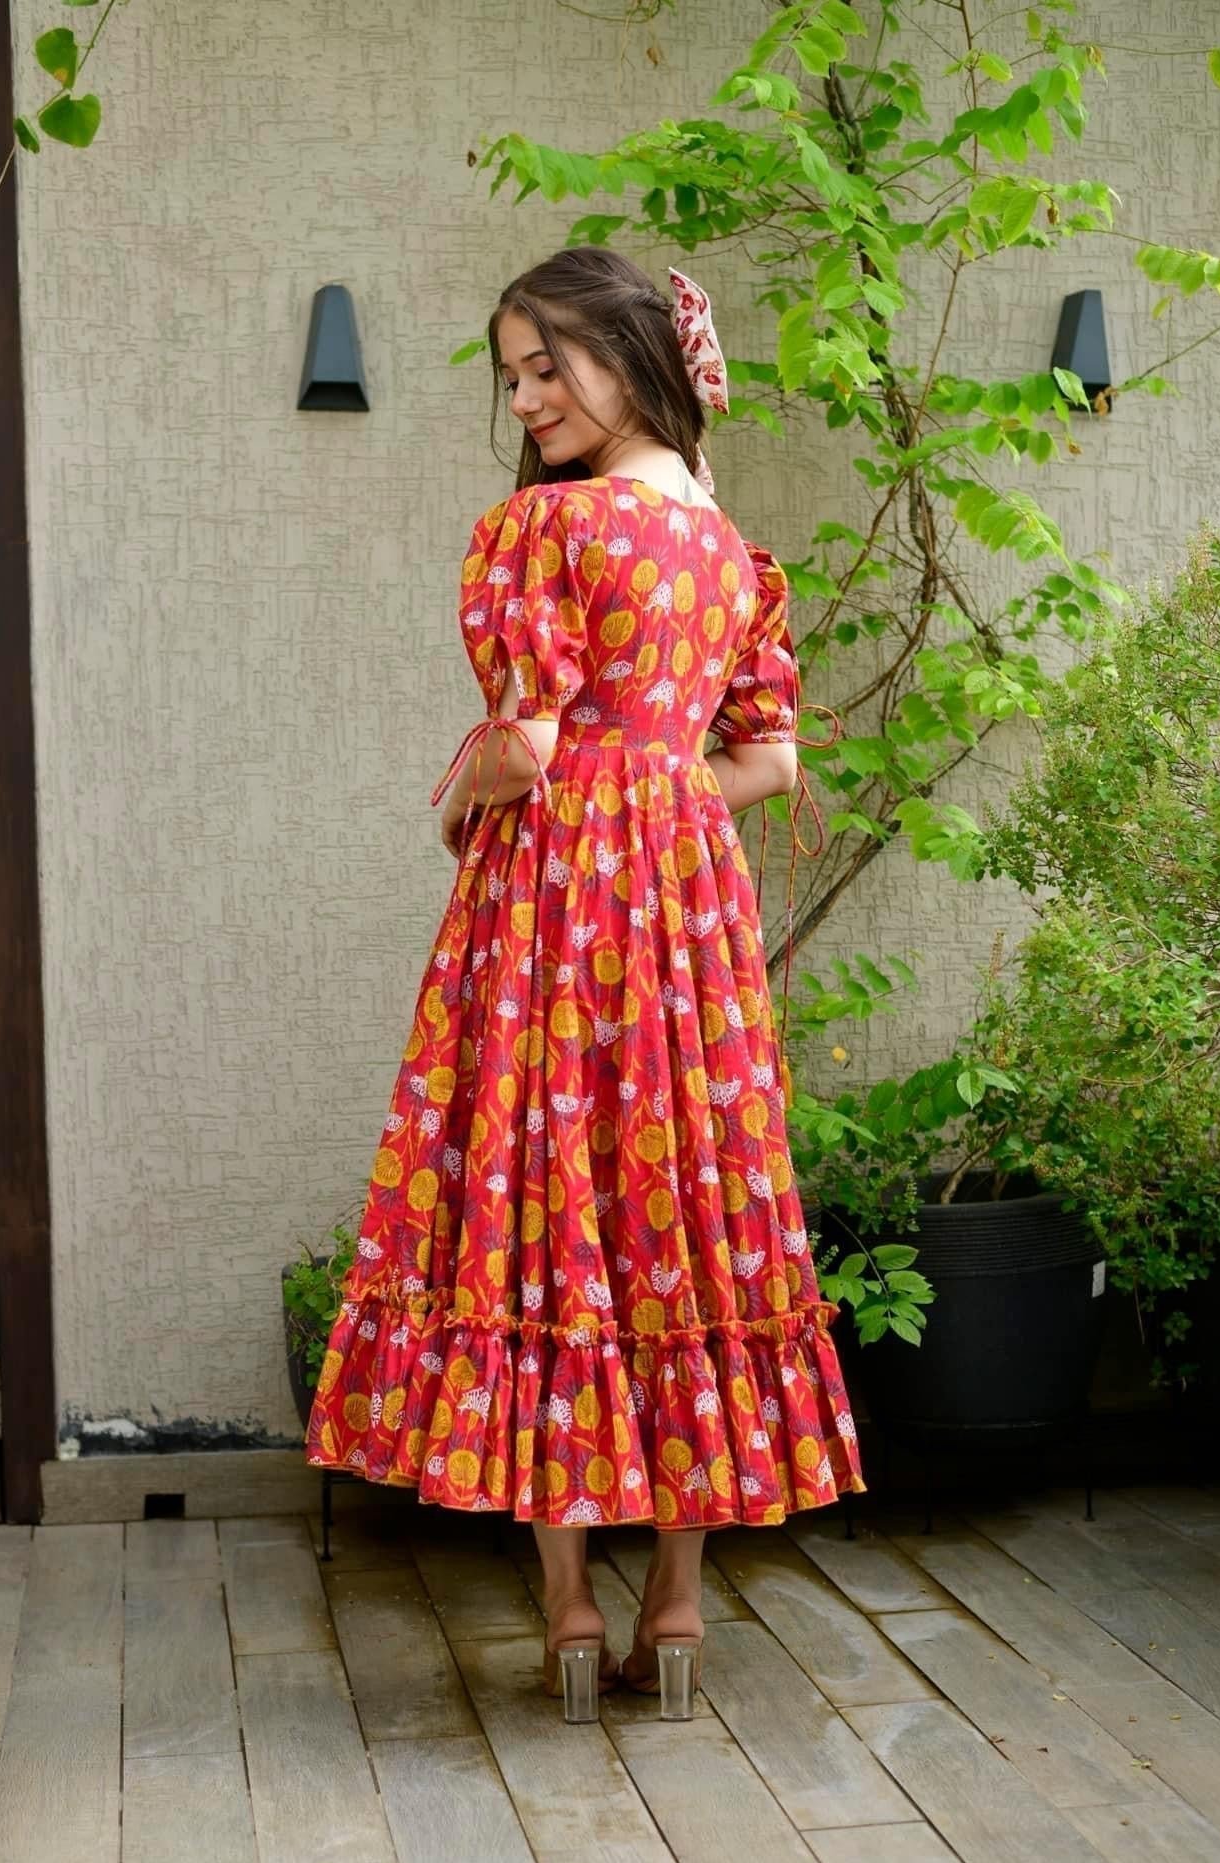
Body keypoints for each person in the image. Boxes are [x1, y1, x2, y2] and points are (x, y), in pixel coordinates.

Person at [305, 245, 864, 1723]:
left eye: (548, 366)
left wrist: (458, 803)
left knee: (543, 1204)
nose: (526, 399)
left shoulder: (538, 534)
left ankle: (565, 1607)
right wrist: (658, 801)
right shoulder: (735, 559)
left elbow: (531, 743)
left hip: (552, 916)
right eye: (512, 375)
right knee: (684, 1208)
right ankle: (676, 1599)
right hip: (685, 930)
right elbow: (767, 763)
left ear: (639, 355)